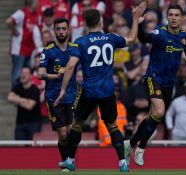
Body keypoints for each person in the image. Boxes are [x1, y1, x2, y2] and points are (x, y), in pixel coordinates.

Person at [54, 3, 147, 172]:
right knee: (112, 125)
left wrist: (63, 89)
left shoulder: (80, 42)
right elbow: (132, 39)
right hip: (108, 90)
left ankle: (71, 160)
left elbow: (69, 67)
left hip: (89, 91)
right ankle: (122, 163)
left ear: (84, 23)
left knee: (77, 124)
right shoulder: (111, 38)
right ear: (101, 22)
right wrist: (135, 19)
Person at [124, 4, 186, 166]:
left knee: (153, 117)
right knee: (159, 112)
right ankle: (141, 147)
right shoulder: (160, 33)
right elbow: (144, 38)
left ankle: (130, 143)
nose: (174, 18)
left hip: (169, 84)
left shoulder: (183, 36)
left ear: (181, 18)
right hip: (153, 78)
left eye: (177, 15)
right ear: (167, 17)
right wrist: (138, 24)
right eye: (171, 15)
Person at [37, 18, 77, 172]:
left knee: (72, 132)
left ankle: (69, 162)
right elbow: (40, 73)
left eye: (64, 28)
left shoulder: (75, 49)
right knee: (62, 134)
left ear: (69, 30)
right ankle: (67, 162)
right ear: (54, 30)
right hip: (54, 98)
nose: (61, 31)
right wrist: (56, 75)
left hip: (72, 95)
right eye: (58, 29)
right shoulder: (47, 51)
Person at [6, 0, 42, 87]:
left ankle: (23, 94)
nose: (38, 5)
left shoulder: (34, 14)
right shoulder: (22, 13)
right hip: (19, 49)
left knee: (27, 73)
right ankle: (14, 93)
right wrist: (14, 30)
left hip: (29, 50)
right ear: (32, 4)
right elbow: (9, 21)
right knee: (17, 74)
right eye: (37, 3)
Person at [7, 67, 41, 140]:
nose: (23, 75)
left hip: (33, 123)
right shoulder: (17, 87)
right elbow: (9, 97)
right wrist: (24, 100)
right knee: (19, 148)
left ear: (31, 76)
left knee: (32, 149)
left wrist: (16, 100)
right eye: (22, 73)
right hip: (20, 123)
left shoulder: (35, 90)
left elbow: (29, 106)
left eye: (25, 73)